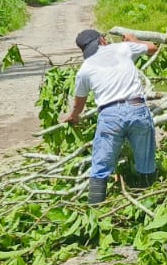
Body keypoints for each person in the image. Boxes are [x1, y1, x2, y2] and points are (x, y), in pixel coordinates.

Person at [61, 28, 159, 203]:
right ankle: (148, 200)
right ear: (102, 40)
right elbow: (153, 48)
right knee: (145, 160)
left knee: (100, 166)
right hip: (137, 107)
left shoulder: (85, 69)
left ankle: (94, 208)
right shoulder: (124, 48)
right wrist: (134, 40)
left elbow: (79, 104)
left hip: (110, 115)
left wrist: (74, 116)